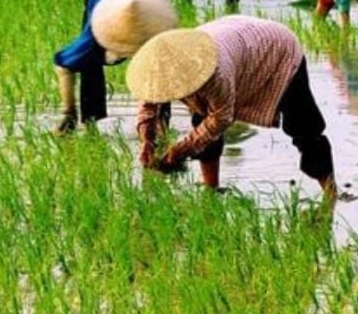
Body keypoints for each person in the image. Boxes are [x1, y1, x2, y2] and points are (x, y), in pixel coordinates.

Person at [126, 16, 335, 198]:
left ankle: (331, 193)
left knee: (304, 127)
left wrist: (181, 150)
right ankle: (211, 190)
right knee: (201, 120)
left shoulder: (214, 72)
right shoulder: (155, 72)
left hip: (278, 50)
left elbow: (221, 118)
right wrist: (147, 141)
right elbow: (148, 106)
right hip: (238, 39)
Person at [51, 0, 177, 134]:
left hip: (142, 1)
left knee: (157, 69)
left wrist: (155, 118)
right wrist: (68, 112)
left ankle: (162, 121)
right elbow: (62, 64)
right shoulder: (94, 34)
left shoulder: (153, 30)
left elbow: (166, 76)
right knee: (90, 61)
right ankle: (89, 121)